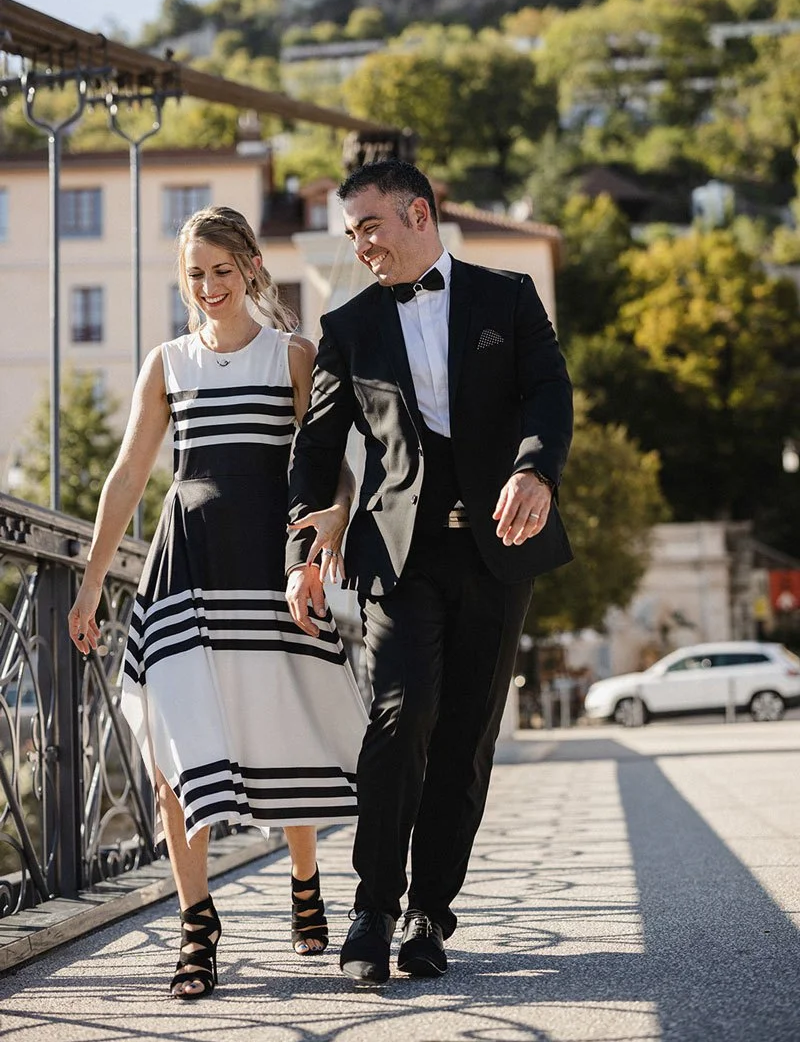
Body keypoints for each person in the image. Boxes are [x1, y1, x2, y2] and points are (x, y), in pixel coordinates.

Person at [68, 206, 368, 1000]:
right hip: (184, 572)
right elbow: (127, 476)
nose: (208, 287)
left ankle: (305, 878)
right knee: (174, 750)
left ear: (253, 268)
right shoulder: (166, 363)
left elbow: (327, 464)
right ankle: (196, 926)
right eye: (195, 274)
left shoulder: (292, 355)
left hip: (269, 569)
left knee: (282, 727)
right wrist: (93, 582)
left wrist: (330, 526)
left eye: (222, 271)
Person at [286, 160, 573, 985]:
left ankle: (427, 916)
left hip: (498, 548)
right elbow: (317, 448)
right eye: (351, 234)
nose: (361, 246)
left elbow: (548, 393)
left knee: (466, 738)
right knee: (399, 714)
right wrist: (303, 554)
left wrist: (535, 470)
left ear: (418, 213)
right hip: (397, 557)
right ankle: (372, 906)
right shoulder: (349, 325)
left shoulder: (508, 297)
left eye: (369, 226)